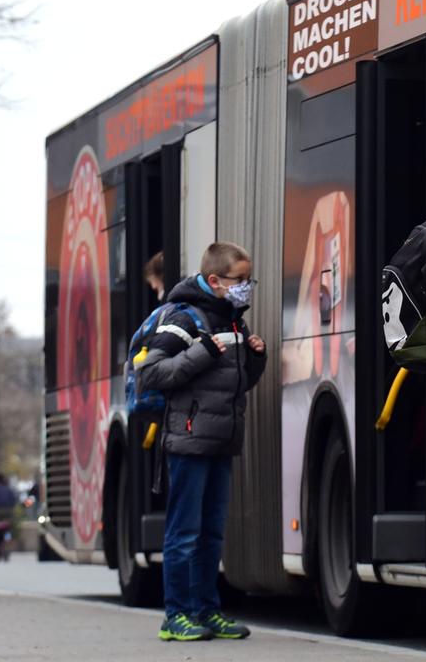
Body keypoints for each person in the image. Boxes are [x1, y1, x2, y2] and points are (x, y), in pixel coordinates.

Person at [138, 241, 267, 642]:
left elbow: (235, 385)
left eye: (249, 280)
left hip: (221, 442)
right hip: (188, 441)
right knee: (184, 533)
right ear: (215, 280)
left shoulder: (232, 320)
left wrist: (255, 358)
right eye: (240, 280)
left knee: (212, 532)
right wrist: (204, 353)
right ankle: (175, 615)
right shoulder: (183, 317)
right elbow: (153, 373)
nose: (246, 287)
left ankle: (208, 610)